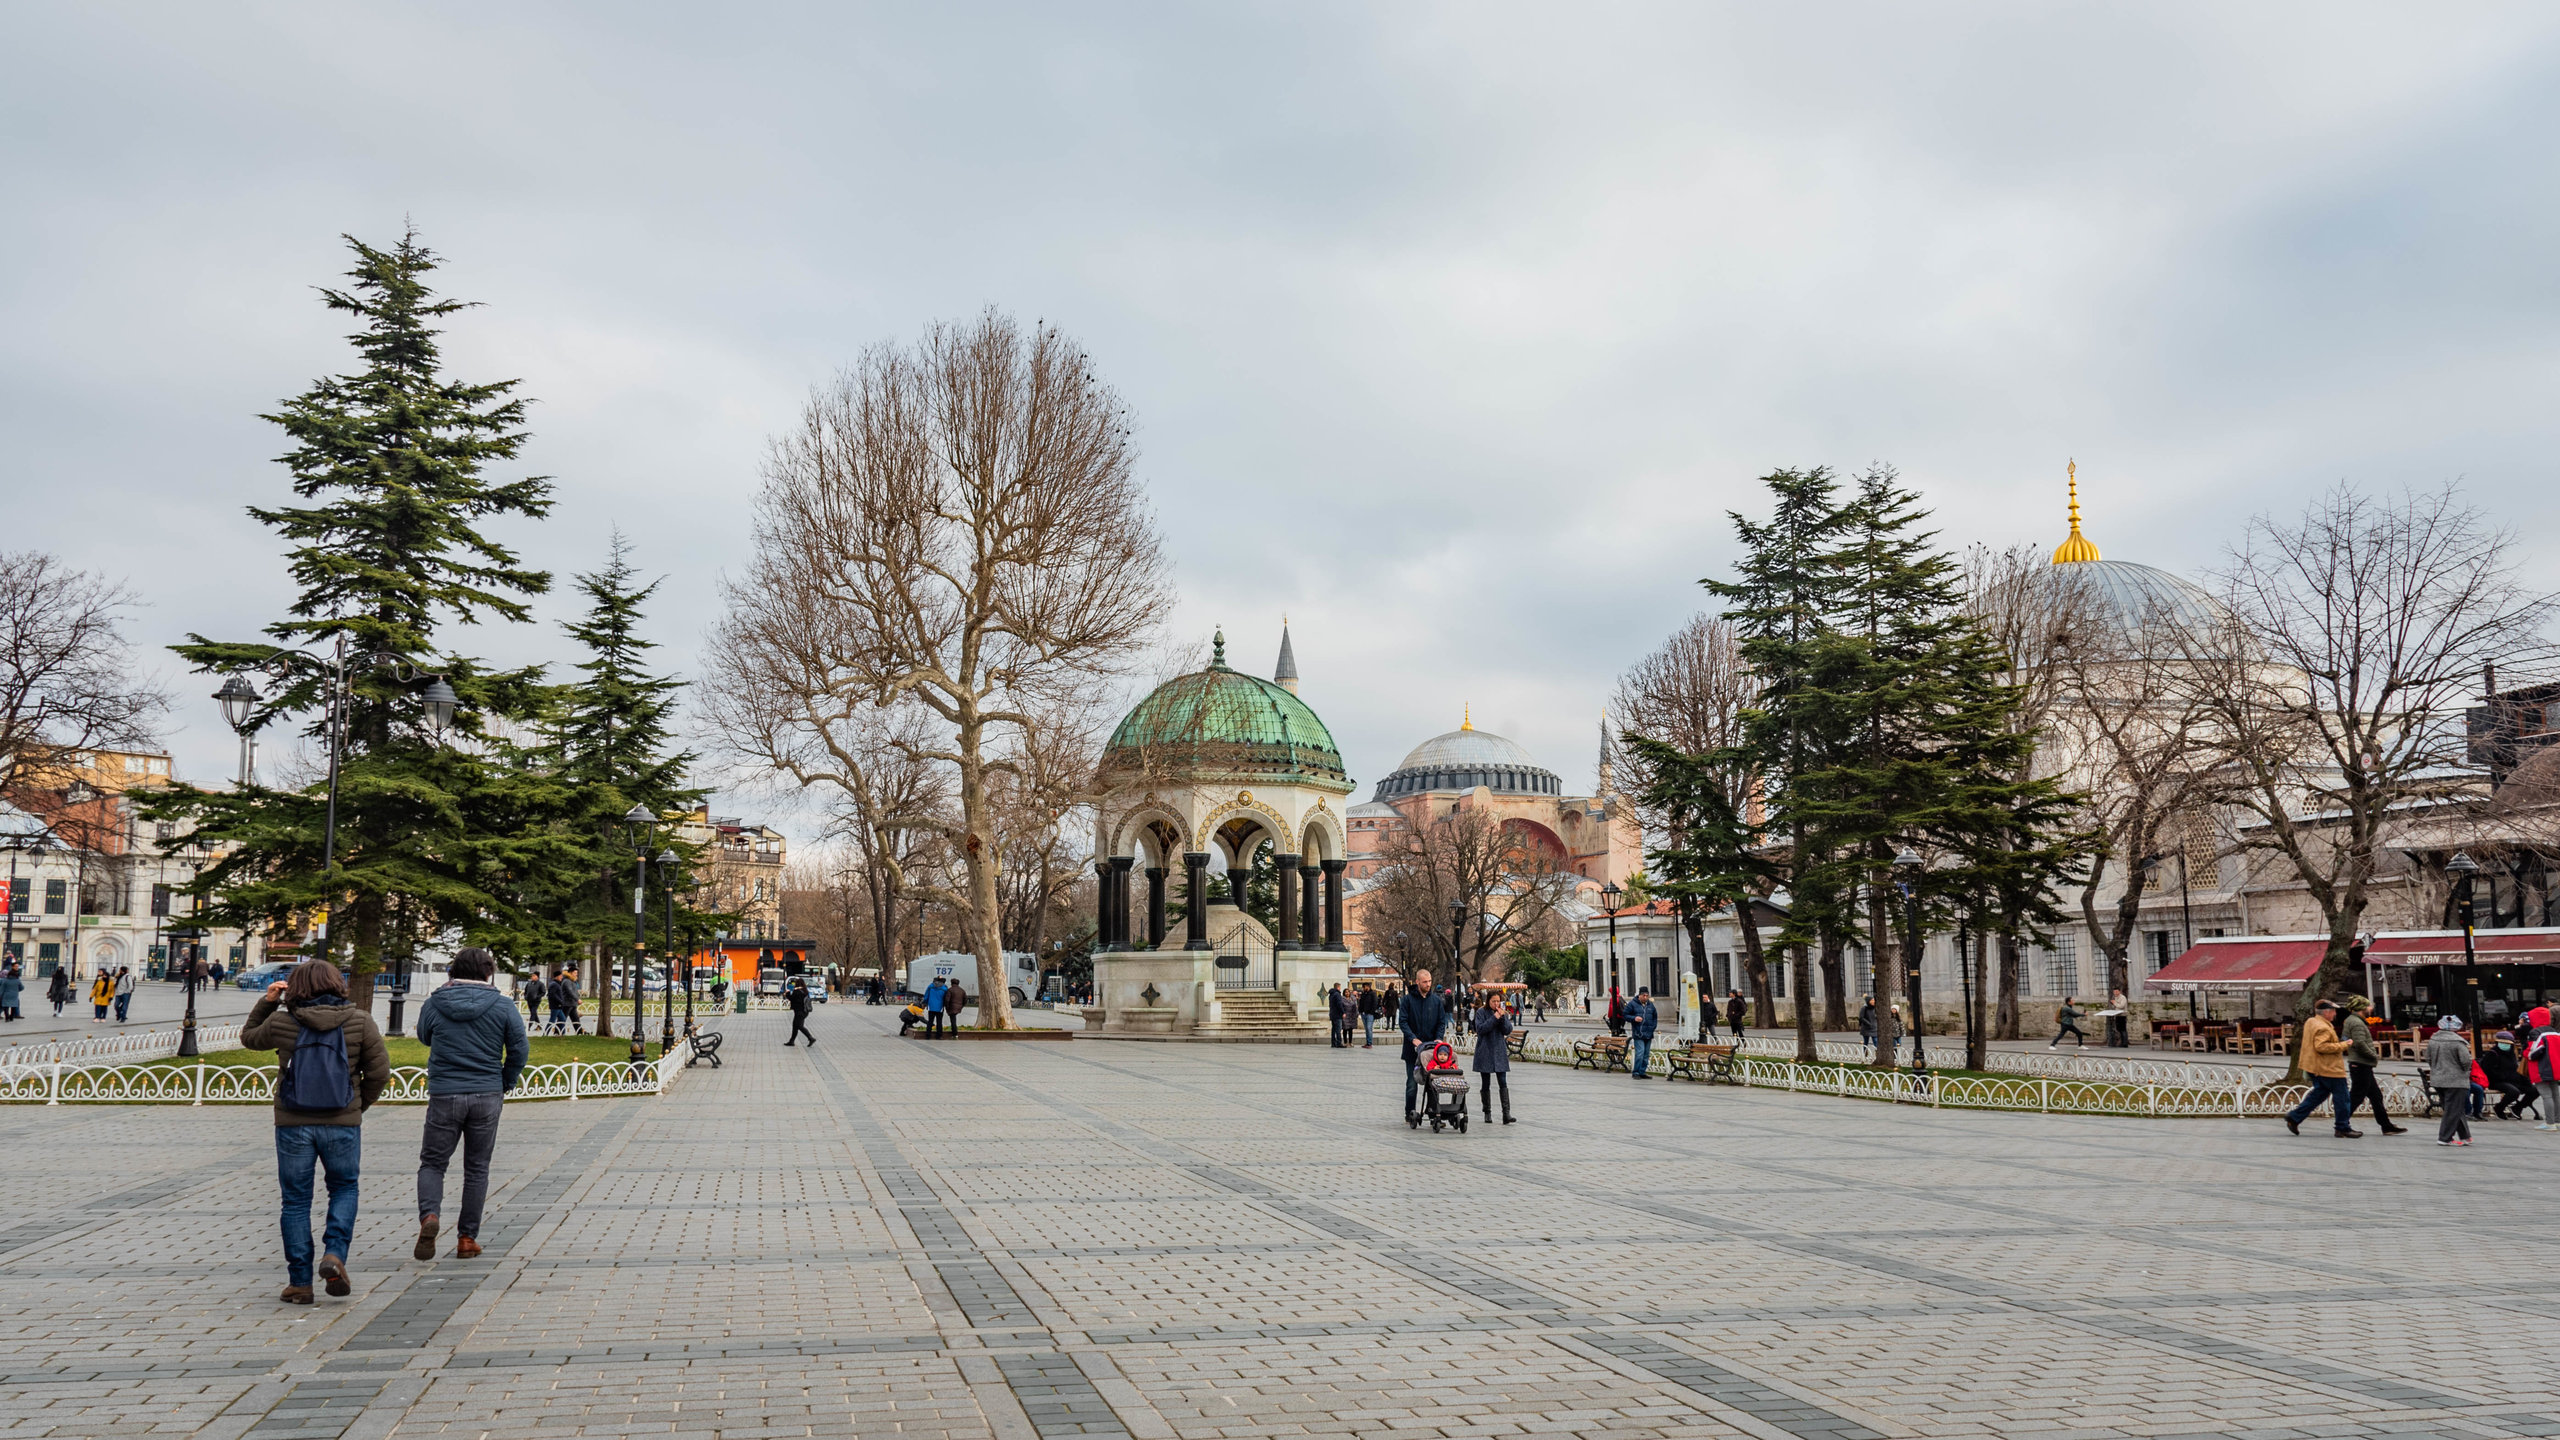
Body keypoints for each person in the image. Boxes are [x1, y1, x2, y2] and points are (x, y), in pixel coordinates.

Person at [242, 958, 390, 1304]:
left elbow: (249, 1038)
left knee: (295, 1201)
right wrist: (356, 1107)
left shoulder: (282, 1021)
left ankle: (300, 1282)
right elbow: (380, 1074)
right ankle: (335, 1254)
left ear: (296, 987)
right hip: (342, 1123)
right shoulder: (360, 1021)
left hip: (294, 1123)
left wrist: (267, 1002)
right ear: (338, 984)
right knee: (344, 1188)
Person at [411, 947, 526, 1262]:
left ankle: (430, 1216)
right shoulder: (503, 1006)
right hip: (486, 1093)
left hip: (445, 1092)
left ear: (452, 970)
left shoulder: (435, 1003)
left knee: (433, 1163)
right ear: (489, 973)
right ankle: (466, 1238)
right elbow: (519, 1049)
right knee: (477, 1167)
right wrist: (506, 1079)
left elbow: (424, 1036)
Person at [2283, 998, 2358, 1138]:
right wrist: (2344, 1045)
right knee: (2342, 1097)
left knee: (2319, 1094)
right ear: (2326, 1012)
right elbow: (2321, 1046)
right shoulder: (2323, 1027)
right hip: (2329, 1068)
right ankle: (2342, 1127)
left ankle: (2294, 1117)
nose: (2335, 1014)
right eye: (2333, 1011)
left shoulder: (2311, 1021)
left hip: (2314, 1066)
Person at [2339, 996, 2407, 1135]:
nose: (2371, 1009)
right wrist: (2373, 1055)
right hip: (2361, 1063)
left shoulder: (2351, 1020)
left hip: (2360, 1064)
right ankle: (2341, 1125)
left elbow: (2345, 1038)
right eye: (2368, 1006)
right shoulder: (2357, 1023)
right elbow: (2359, 1043)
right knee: (2356, 1096)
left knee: (2376, 1096)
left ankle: (2386, 1125)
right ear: (2361, 1008)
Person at [1399, 968, 1450, 1122]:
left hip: (1431, 1049)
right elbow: (1403, 1021)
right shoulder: (1407, 1000)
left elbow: (1442, 1021)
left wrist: (1439, 1038)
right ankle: (1410, 1113)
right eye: (1425, 982)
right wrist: (1413, 1038)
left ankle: (1433, 1112)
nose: (1428, 985)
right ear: (1417, 982)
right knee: (1412, 1083)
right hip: (1412, 1049)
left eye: (1429, 981)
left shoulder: (1435, 1001)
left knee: (1433, 1082)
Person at [2427, 1016, 2475, 1146]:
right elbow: (2466, 1061)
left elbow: (2428, 1059)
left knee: (2453, 1108)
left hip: (2438, 1079)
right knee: (2453, 1109)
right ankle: (2445, 1137)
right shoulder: (2457, 1042)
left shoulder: (2433, 1040)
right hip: (2456, 1080)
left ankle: (2465, 1136)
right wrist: (2465, 1071)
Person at [1471, 991, 1514, 1124]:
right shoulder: (1481, 1012)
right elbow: (1481, 1029)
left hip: (1499, 1050)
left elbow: (1507, 1029)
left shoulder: (1501, 1012)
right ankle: (1487, 1112)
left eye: (1498, 1001)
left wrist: (1501, 1018)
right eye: (1493, 1001)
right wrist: (1494, 1017)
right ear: (1488, 1001)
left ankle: (1506, 1113)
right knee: (1486, 1082)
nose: (1496, 1004)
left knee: (1503, 1081)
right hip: (1485, 1050)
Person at [2483, 1031, 2537, 1120]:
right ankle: (2499, 1108)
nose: (2505, 1045)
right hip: (2497, 1081)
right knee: (2514, 1091)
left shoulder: (2511, 1054)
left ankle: (2518, 1107)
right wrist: (2503, 1076)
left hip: (2513, 1080)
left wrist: (2525, 1080)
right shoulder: (2492, 1054)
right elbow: (2488, 1071)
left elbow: (2516, 1069)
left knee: (2534, 1090)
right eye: (2503, 1043)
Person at [1626, 988, 1660, 1078]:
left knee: (1646, 1054)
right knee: (1640, 1053)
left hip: (1649, 1033)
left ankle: (1642, 1071)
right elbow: (1625, 1015)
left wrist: (1653, 1027)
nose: (1645, 997)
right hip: (1638, 1033)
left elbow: (1655, 1016)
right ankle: (1636, 1072)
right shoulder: (1632, 1004)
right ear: (1639, 995)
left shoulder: (1650, 1005)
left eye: (1647, 996)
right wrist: (1634, 1018)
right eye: (1643, 995)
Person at [784, 974, 818, 1046]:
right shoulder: (805, 991)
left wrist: (787, 993)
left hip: (799, 1012)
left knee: (799, 1026)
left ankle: (810, 1038)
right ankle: (792, 1041)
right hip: (805, 1011)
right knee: (795, 1026)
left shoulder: (798, 992)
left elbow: (791, 998)